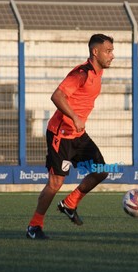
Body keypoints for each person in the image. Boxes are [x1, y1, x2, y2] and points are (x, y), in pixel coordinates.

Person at [26, 34, 115, 239]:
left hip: (78, 135)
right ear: (96, 52)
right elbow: (56, 95)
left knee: (101, 171)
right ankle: (34, 226)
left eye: (112, 51)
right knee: (55, 183)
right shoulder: (81, 73)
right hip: (61, 134)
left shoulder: (97, 73)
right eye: (108, 51)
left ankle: (69, 203)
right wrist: (74, 117)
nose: (112, 55)